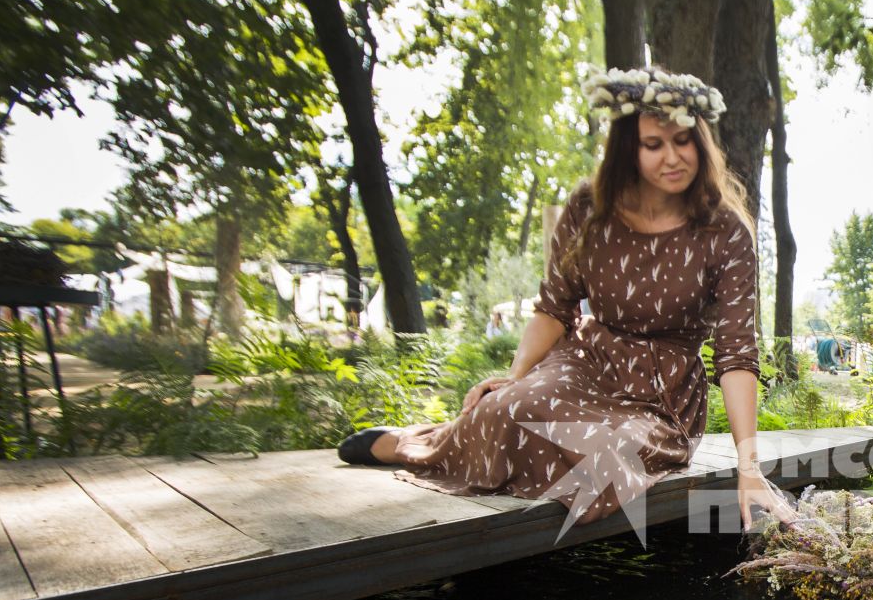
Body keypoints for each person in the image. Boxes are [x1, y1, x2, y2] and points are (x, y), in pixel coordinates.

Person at [337, 66, 795, 532]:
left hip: (662, 394)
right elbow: (555, 307)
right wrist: (515, 377)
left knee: (604, 453)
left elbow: (737, 355)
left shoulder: (726, 231)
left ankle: (448, 444)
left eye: (683, 141)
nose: (673, 157)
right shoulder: (588, 208)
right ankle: (415, 445)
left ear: (701, 141)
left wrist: (748, 466)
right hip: (586, 361)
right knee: (510, 408)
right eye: (653, 144)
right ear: (627, 149)